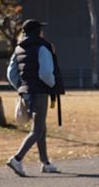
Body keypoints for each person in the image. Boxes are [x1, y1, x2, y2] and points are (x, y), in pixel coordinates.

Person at [6, 19, 63, 176]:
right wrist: (53, 85)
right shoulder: (42, 48)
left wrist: (21, 87)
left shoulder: (18, 48)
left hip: (26, 92)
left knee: (40, 127)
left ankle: (45, 162)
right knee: (37, 130)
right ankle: (17, 159)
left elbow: (11, 74)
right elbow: (45, 73)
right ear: (37, 32)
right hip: (40, 92)